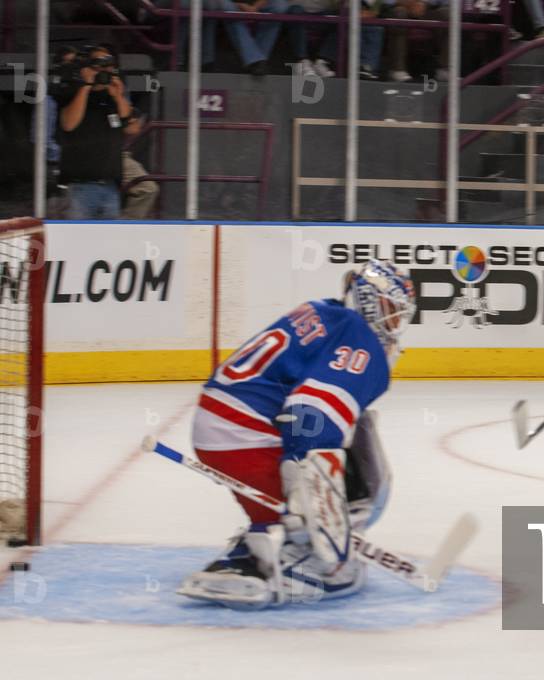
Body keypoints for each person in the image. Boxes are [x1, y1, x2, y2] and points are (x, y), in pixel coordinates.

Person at [179, 259, 416, 608]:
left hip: (223, 423)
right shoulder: (359, 336)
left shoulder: (325, 312)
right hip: (245, 433)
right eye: (392, 312)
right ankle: (285, 564)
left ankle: (254, 550)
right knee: (321, 544)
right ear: (371, 302)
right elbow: (311, 412)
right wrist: (311, 496)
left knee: (287, 511)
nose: (394, 326)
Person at [56, 45, 135, 220]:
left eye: (108, 63)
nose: (103, 68)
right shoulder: (72, 91)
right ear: (88, 66)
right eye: (98, 63)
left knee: (109, 244)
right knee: (76, 241)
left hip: (110, 186)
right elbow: (68, 124)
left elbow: (131, 127)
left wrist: (118, 96)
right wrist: (86, 85)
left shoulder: (112, 97)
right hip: (80, 187)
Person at [160, 0, 290, 76]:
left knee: (280, 5)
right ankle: (254, 61)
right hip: (231, 3)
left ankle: (258, 59)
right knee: (221, 5)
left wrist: (256, 6)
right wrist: (240, 4)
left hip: (258, 4)